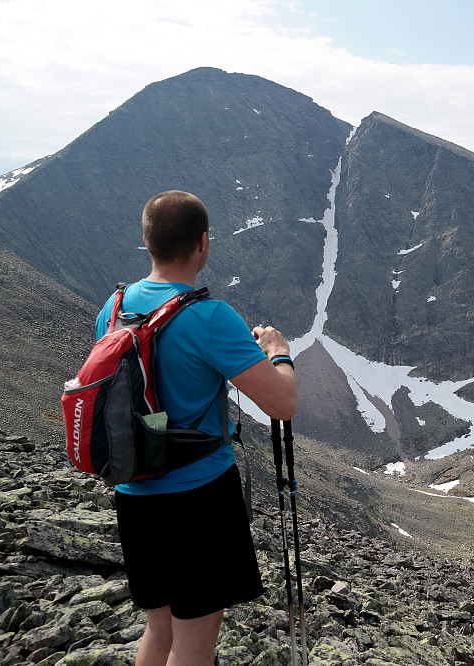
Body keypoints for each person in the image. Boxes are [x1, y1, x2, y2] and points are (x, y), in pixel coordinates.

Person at [94, 190, 298, 666]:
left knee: (159, 627)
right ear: (204, 243)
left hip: (134, 490)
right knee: (195, 639)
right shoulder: (209, 316)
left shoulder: (115, 306)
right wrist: (279, 352)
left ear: (146, 240)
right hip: (199, 496)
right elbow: (283, 403)